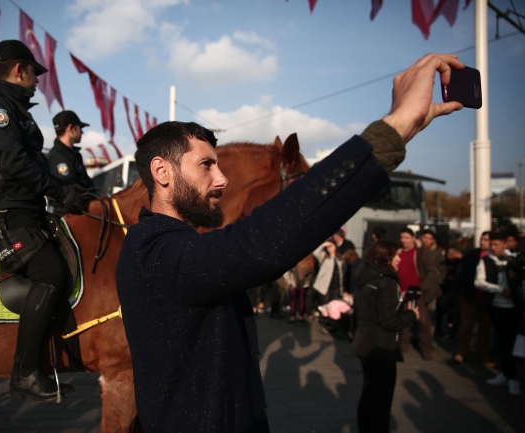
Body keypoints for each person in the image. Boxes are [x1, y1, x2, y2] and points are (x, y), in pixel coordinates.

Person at [115, 53, 465, 432]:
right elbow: (260, 244)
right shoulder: (154, 251)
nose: (222, 179)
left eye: (219, 164)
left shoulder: (172, 248)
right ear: (161, 172)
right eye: (206, 165)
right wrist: (394, 129)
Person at [0, 40, 88, 401]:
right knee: (51, 273)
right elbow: (15, 162)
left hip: (25, 210)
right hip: (2, 213)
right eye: (35, 73)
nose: (37, 80)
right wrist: (61, 193)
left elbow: (31, 163)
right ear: (20, 70)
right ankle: (23, 373)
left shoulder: (17, 111)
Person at [352, 240, 418, 433]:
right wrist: (411, 315)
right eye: (396, 255)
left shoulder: (367, 276)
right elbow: (389, 321)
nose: (399, 259)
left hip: (364, 344)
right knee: (381, 402)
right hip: (381, 348)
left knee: (368, 396)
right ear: (385, 257)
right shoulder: (386, 281)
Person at [475, 232, 523, 396]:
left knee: (512, 343)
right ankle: (505, 374)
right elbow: (479, 282)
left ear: (505, 244)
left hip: (514, 308)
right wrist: (499, 290)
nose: (493, 247)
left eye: (496, 244)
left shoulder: (515, 259)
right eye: (491, 244)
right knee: (500, 340)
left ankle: (512, 378)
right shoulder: (486, 260)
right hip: (496, 306)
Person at [398, 227, 441, 360]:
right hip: (402, 292)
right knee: (403, 320)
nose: (404, 241)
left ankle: (426, 348)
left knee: (423, 321)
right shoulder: (398, 252)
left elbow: (432, 272)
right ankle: (403, 345)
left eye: (406, 238)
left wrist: (422, 288)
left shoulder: (422, 252)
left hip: (418, 292)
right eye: (402, 238)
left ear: (413, 238)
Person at [454, 231, 493, 364]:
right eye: (482, 239)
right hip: (469, 296)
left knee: (485, 329)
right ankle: (462, 352)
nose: (483, 242)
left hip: (487, 298)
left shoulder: (494, 257)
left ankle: (482, 355)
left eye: (486, 240)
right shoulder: (470, 254)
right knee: (466, 326)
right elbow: (461, 274)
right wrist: (461, 292)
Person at [313, 239, 346, 307]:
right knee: (325, 307)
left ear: (335, 246)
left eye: (331, 246)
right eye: (328, 247)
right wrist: (324, 244)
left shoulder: (339, 258)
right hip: (325, 287)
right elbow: (315, 253)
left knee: (334, 307)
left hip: (336, 287)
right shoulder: (324, 256)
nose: (329, 248)